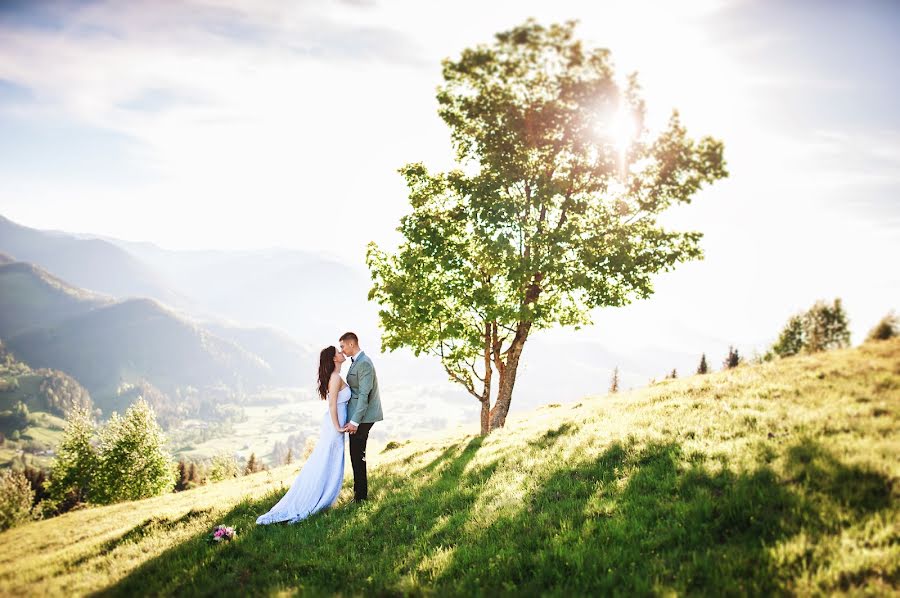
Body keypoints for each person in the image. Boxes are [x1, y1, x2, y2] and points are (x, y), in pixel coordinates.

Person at [256, 346, 349, 524]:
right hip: (334, 426)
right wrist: (338, 427)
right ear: (333, 359)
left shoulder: (336, 377)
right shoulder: (335, 378)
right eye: (338, 352)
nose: (341, 353)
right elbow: (332, 406)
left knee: (328, 460)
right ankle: (317, 497)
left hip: (335, 425)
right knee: (325, 461)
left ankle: (325, 495)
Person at [338, 332, 383, 502]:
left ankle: (361, 498)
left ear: (351, 344)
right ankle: (359, 496)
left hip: (363, 417)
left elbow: (364, 394)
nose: (341, 350)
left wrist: (355, 421)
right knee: (356, 456)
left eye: (342, 346)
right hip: (359, 416)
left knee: (357, 456)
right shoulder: (357, 361)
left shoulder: (364, 363)